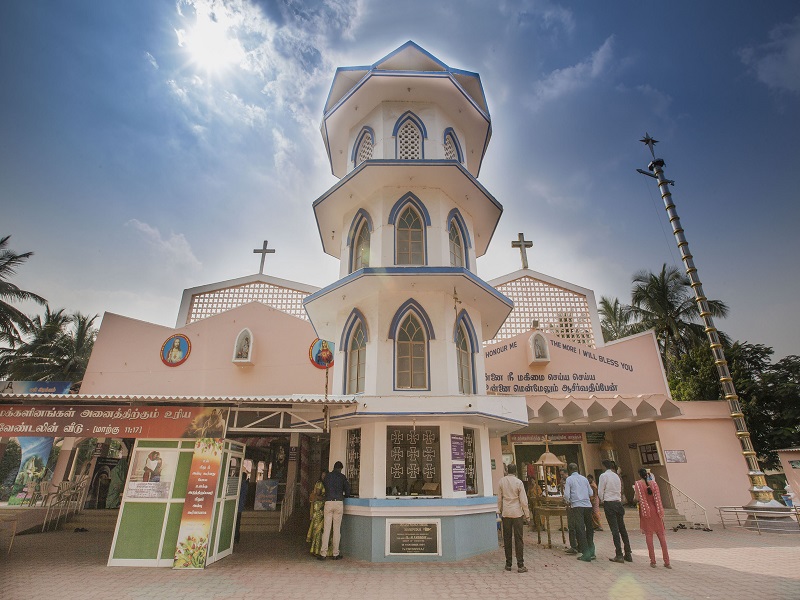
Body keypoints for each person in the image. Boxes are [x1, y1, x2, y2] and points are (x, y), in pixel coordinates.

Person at [633, 468, 671, 569]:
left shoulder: (638, 484)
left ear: (639, 475)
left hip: (647, 512)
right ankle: (667, 561)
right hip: (656, 511)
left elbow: (637, 498)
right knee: (661, 536)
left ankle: (653, 561)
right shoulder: (653, 484)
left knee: (649, 536)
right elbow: (657, 497)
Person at [497, 463, 531, 573]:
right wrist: (527, 515)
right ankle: (520, 564)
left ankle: (508, 563)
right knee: (518, 539)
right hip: (517, 513)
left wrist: (499, 510)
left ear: (507, 470)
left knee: (507, 538)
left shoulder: (502, 481)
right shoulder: (519, 482)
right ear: (516, 471)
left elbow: (499, 498)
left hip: (506, 513)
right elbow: (524, 500)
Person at [598, 459, 632, 563]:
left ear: (604, 467)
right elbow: (620, 489)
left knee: (614, 529)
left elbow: (600, 490)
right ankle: (628, 553)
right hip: (618, 503)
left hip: (609, 503)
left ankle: (619, 554)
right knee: (622, 528)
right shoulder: (616, 476)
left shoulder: (603, 476)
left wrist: (603, 500)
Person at [318, 461, 350, 560]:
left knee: (326, 529)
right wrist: (344, 495)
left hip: (328, 502)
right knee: (336, 530)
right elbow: (348, 491)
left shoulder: (327, 477)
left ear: (333, 467)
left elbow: (324, 487)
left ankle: (323, 553)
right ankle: (335, 554)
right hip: (338, 503)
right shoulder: (342, 477)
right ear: (340, 468)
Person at [563, 463, 595, 562]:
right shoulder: (584, 479)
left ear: (569, 470)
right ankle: (592, 551)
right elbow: (591, 493)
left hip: (577, 506)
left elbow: (567, 495)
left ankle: (586, 554)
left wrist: (567, 501)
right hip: (587, 505)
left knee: (580, 529)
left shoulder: (569, 479)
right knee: (589, 528)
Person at [306, 471, 327, 556]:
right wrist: (324, 497)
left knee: (322, 529)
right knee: (317, 528)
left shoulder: (326, 484)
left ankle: (319, 548)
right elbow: (317, 496)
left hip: (323, 508)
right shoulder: (319, 483)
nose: (324, 477)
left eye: (325, 475)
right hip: (318, 508)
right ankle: (315, 549)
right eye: (322, 475)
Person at [559, 467, 578, 555]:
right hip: (577, 505)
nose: (562, 476)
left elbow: (566, 495)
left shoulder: (569, 480)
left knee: (572, 526)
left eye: (563, 475)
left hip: (571, 505)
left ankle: (574, 546)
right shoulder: (576, 480)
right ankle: (576, 545)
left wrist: (565, 501)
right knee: (575, 526)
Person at [235, 474, 249, 543]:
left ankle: (235, 537)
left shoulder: (239, 485)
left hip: (237, 506)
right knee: (238, 522)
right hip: (240, 506)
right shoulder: (245, 485)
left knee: (235, 523)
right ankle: (237, 538)